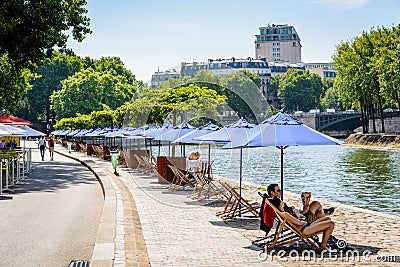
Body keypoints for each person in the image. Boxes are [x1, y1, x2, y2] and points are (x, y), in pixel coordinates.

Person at [269, 196, 335, 251]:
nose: (283, 202)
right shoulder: (285, 214)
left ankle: (324, 243)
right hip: (305, 229)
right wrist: (303, 220)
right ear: (280, 204)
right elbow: (299, 223)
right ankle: (323, 245)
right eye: (281, 201)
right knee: (331, 223)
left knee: (327, 219)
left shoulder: (283, 213)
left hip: (305, 227)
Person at [267, 184, 334, 224]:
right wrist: (295, 212)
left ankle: (321, 212)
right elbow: (284, 213)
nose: (280, 192)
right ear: (272, 192)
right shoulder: (277, 202)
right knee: (316, 204)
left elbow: (284, 212)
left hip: (297, 215)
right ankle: (321, 212)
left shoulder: (273, 201)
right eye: (278, 191)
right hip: (300, 219)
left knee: (317, 209)